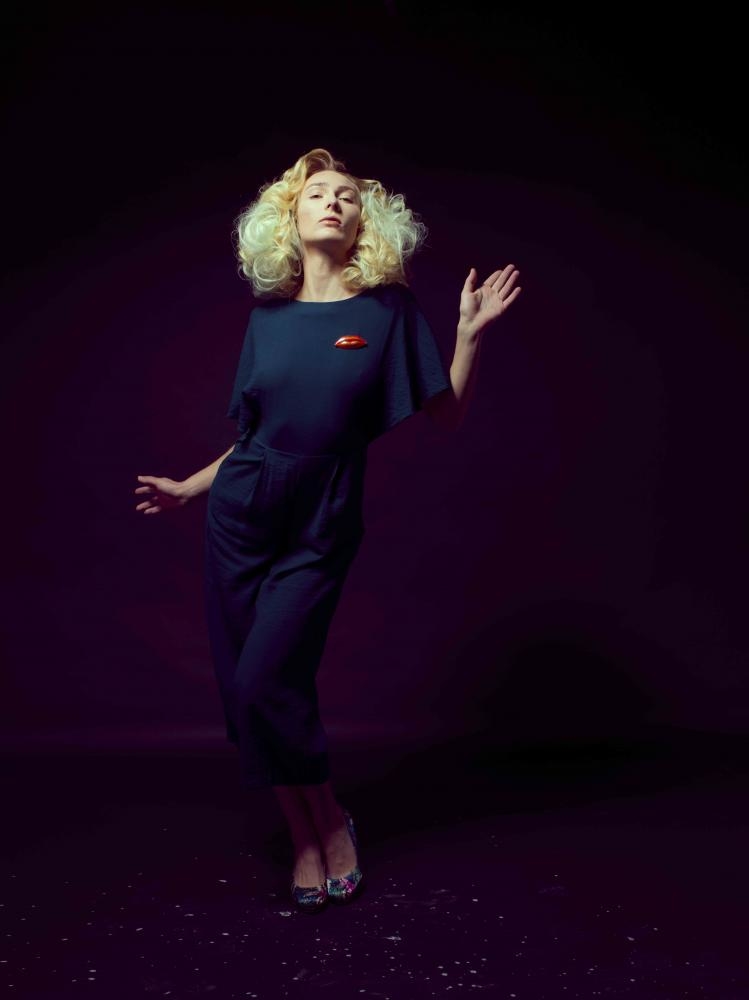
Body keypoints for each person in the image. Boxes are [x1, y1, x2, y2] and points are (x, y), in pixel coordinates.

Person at [134, 147, 521, 913]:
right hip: (241, 512)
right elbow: (253, 437)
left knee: (267, 677)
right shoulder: (266, 319)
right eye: (317, 194)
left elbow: (444, 416)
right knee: (246, 692)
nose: (333, 202)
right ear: (289, 218)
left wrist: (468, 335)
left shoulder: (385, 312)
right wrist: (189, 487)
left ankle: (332, 820)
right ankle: (304, 835)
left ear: (363, 224)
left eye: (347, 196)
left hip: (322, 515)